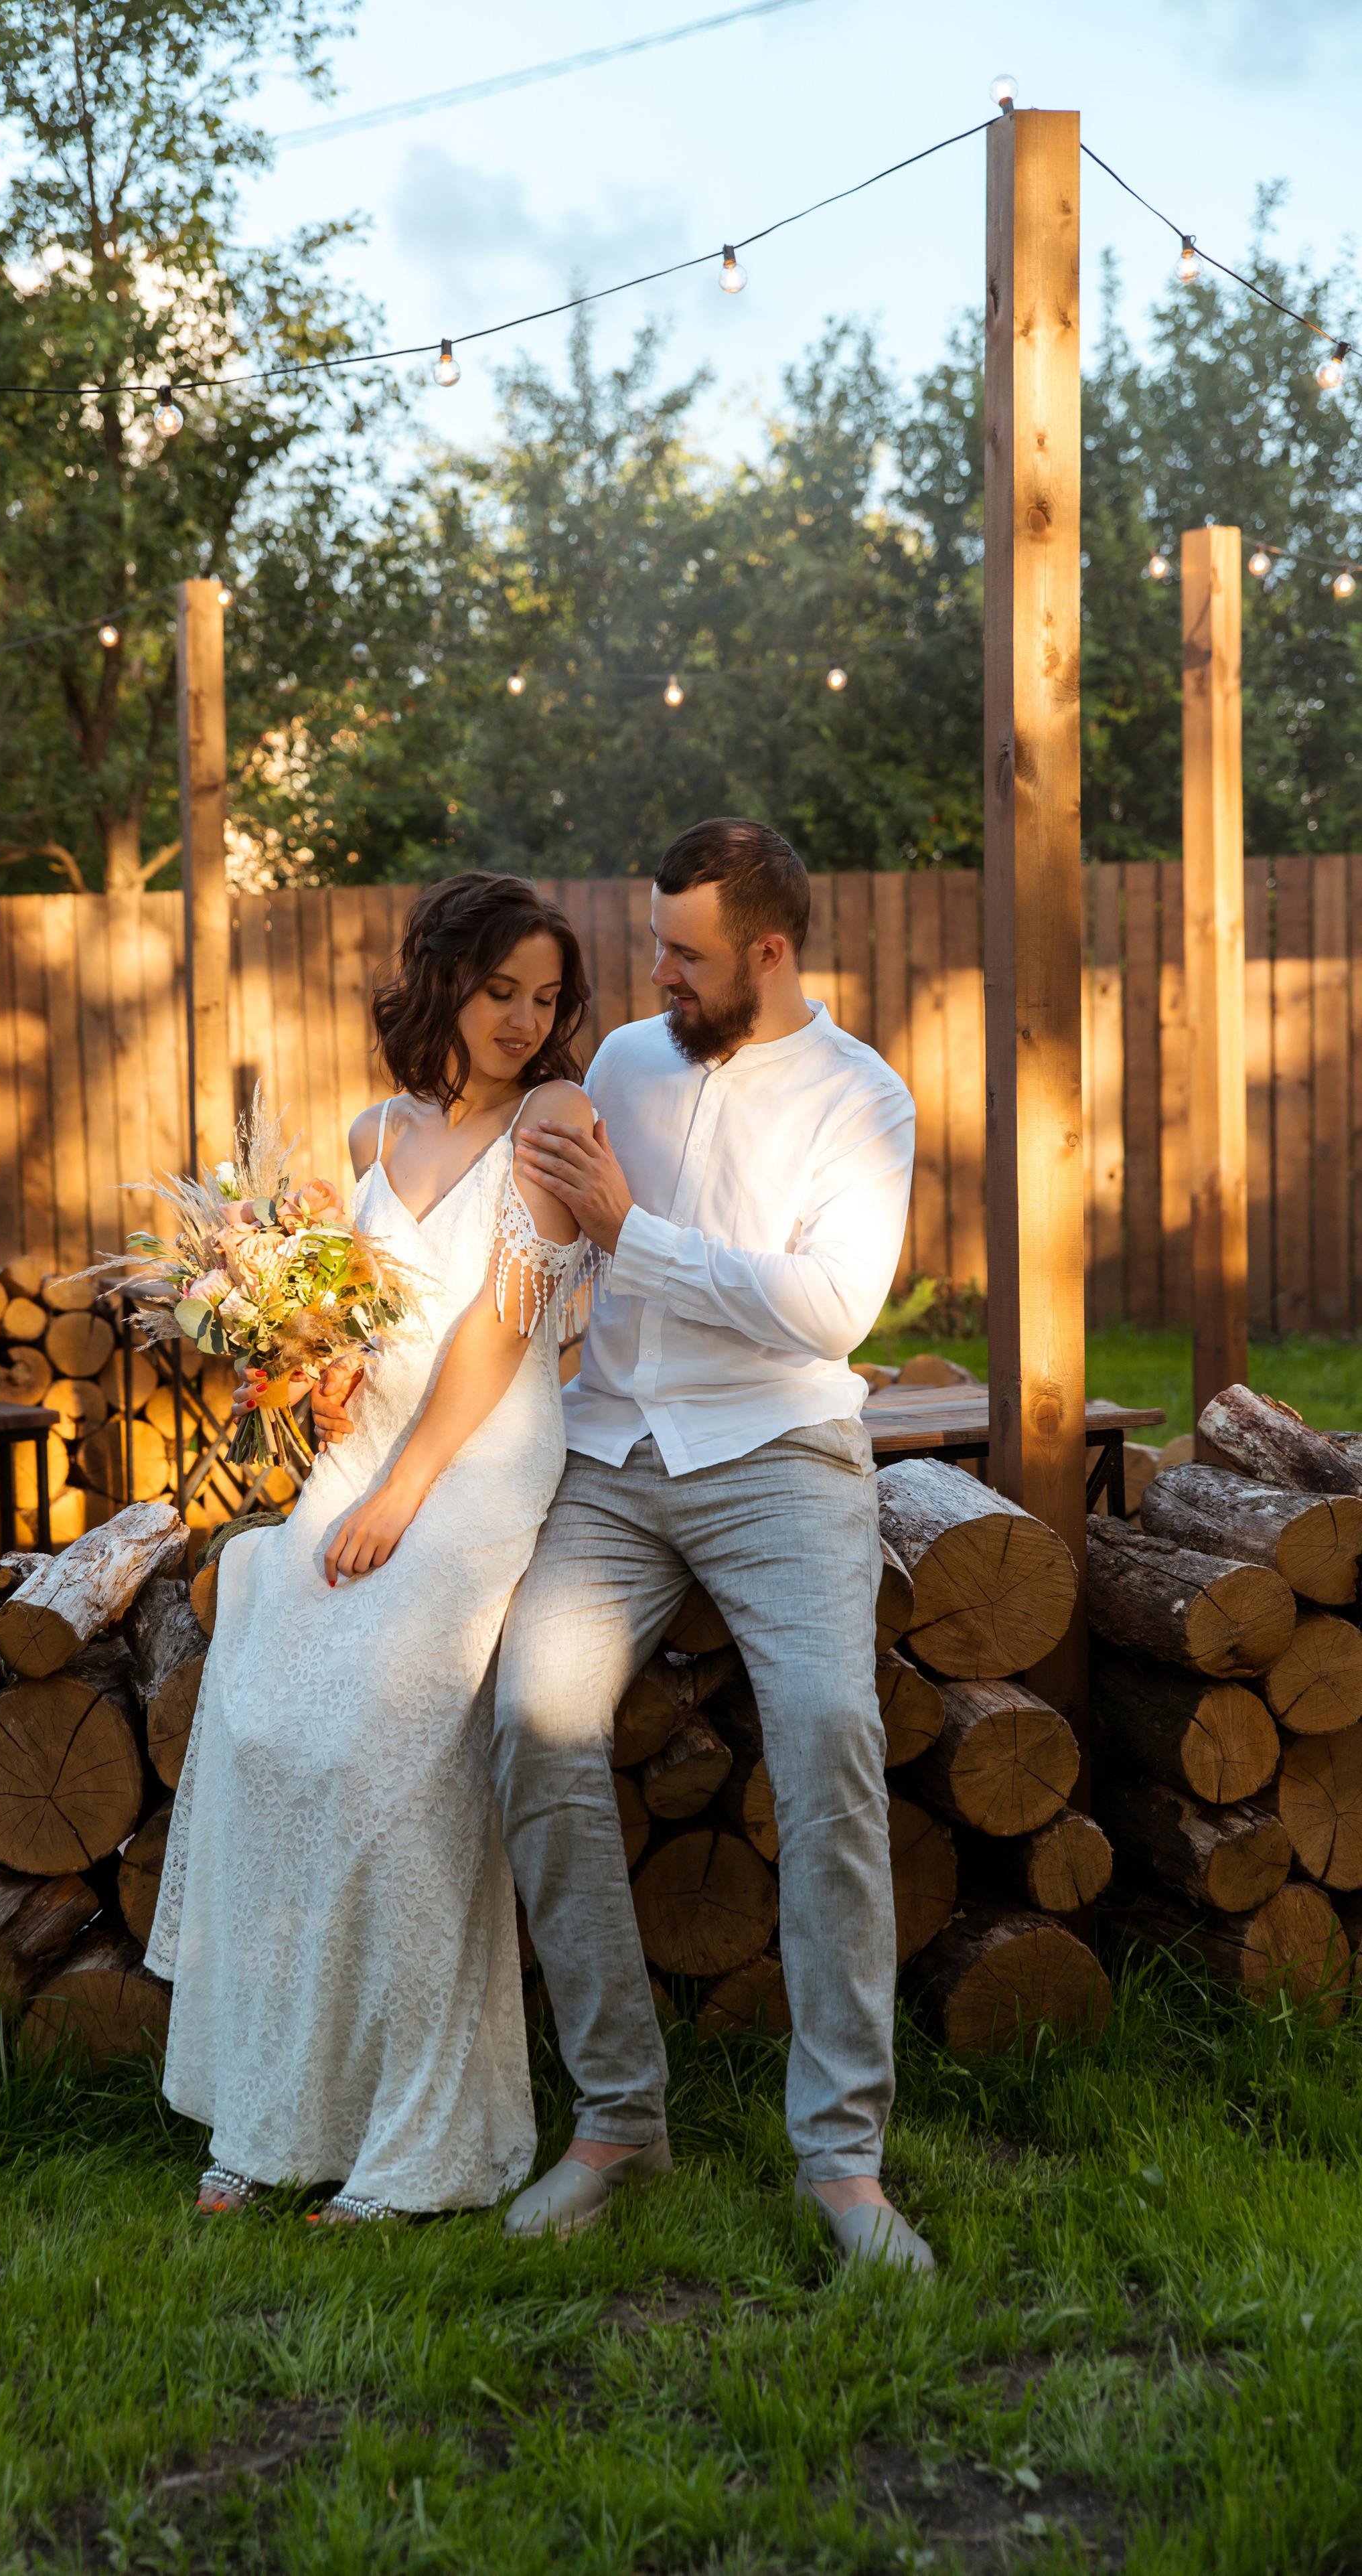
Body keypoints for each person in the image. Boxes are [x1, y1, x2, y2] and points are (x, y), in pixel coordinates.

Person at [493, 816, 931, 2271]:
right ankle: (619, 2120)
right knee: (533, 1722)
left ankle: (842, 2161)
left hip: (781, 1458)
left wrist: (633, 1230)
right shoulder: (617, 1061)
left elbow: (827, 1311)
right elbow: (557, 1244)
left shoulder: (864, 1099)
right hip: (613, 1456)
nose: (653, 974)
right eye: (654, 946)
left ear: (765, 949)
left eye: (683, 953)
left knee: (823, 1728)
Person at [147, 872, 597, 2223]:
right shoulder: (370, 1128)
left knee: (379, 1751)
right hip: (359, 1454)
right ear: (440, 980)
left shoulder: (555, 1119)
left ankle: (422, 2137)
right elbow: (357, 1312)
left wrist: (401, 1491)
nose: (524, 1018)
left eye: (545, 997)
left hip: (477, 1457)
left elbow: (497, 1330)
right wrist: (304, 1366)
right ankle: (270, 2111)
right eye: (499, 990)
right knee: (261, 1733)